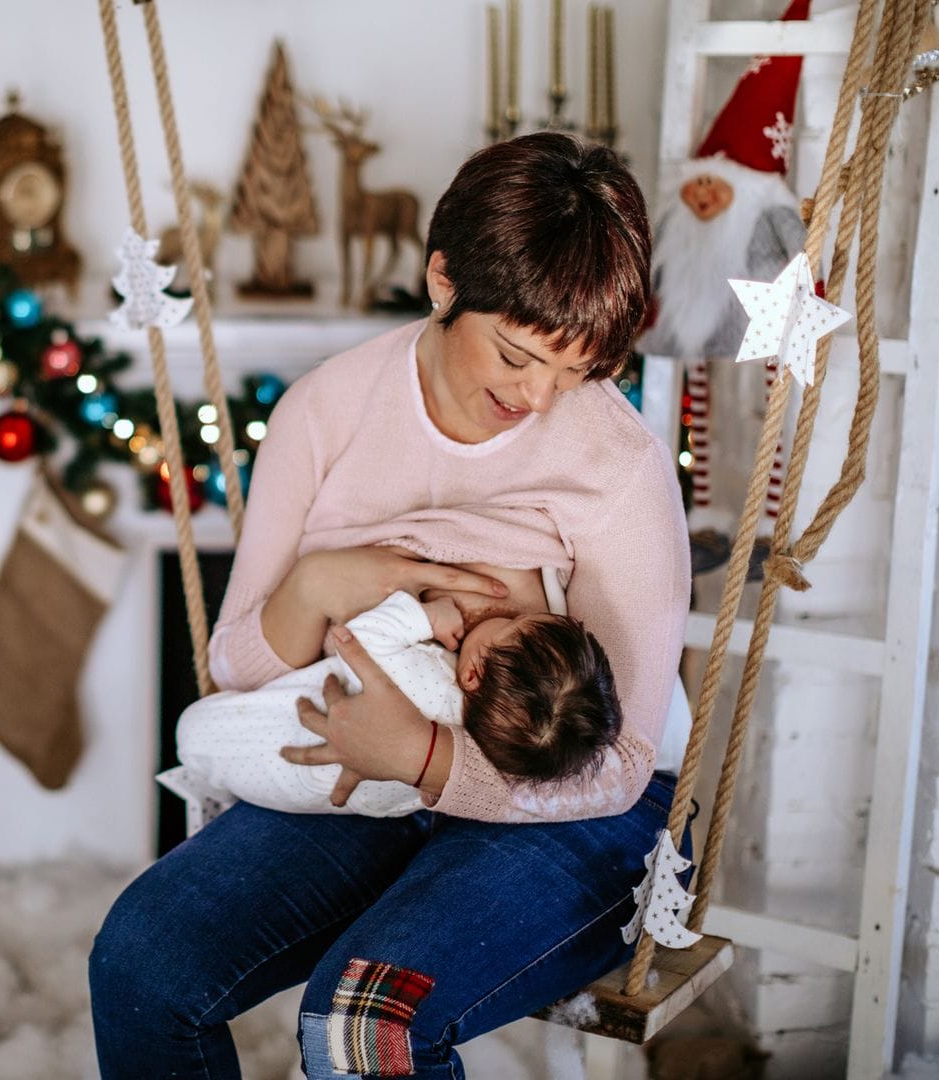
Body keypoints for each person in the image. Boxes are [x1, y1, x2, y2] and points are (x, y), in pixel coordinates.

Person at [89, 132, 691, 1079]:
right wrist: (334, 580)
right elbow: (240, 662)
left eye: (574, 372)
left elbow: (620, 763)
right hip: (368, 774)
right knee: (143, 961)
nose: (539, 398)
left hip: (573, 792)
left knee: (366, 1021)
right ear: (444, 278)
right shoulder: (327, 414)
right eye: (518, 354)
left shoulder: (616, 466)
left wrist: (422, 755)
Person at [156, 561, 621, 830]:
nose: (515, 615)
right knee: (284, 769)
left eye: (516, 624)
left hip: (248, 722)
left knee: (206, 729)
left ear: (474, 672)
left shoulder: (424, 675)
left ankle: (203, 763)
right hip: (294, 790)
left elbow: (359, 638)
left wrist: (425, 616)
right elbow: (378, 802)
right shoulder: (464, 751)